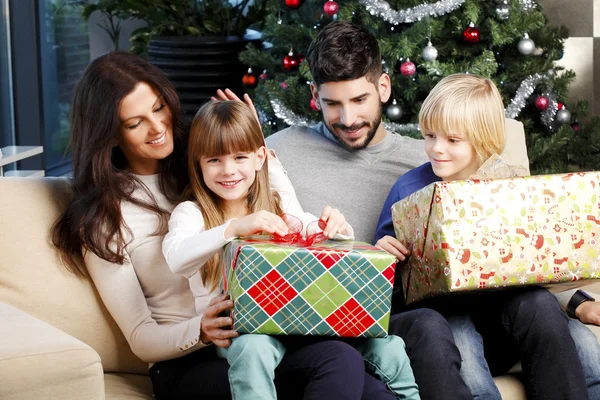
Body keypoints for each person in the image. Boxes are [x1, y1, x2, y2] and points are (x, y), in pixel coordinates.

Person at [51, 50, 408, 400]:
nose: (158, 127)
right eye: (135, 122)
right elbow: (141, 336)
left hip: (255, 332)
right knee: (330, 365)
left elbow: (282, 211)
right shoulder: (103, 219)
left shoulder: (202, 168)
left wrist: (256, 148)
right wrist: (202, 330)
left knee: (358, 373)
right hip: (190, 359)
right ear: (109, 134)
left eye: (159, 108)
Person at [264, 20, 473, 400]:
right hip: (309, 324)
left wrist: (571, 300)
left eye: (359, 100)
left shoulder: (425, 160)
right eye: (332, 103)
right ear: (314, 95)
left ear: (384, 87)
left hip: (392, 317)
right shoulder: (280, 151)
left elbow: (497, 233)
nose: (348, 119)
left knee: (427, 324)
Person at [161, 100, 420, 400]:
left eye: (240, 157)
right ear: (198, 163)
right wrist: (232, 229)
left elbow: (311, 229)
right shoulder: (191, 213)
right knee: (253, 350)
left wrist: (337, 227)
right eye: (214, 160)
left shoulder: (276, 204)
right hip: (244, 332)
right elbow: (177, 258)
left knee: (386, 344)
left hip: (296, 322)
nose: (228, 170)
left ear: (259, 159)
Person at [374, 73, 597, 399]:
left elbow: (540, 265)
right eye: (430, 135)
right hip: (446, 320)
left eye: (453, 140)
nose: (437, 149)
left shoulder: (507, 186)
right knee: (458, 326)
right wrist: (385, 254)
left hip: (504, 323)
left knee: (538, 304)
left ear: (483, 140)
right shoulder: (408, 190)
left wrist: (577, 302)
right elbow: (384, 286)